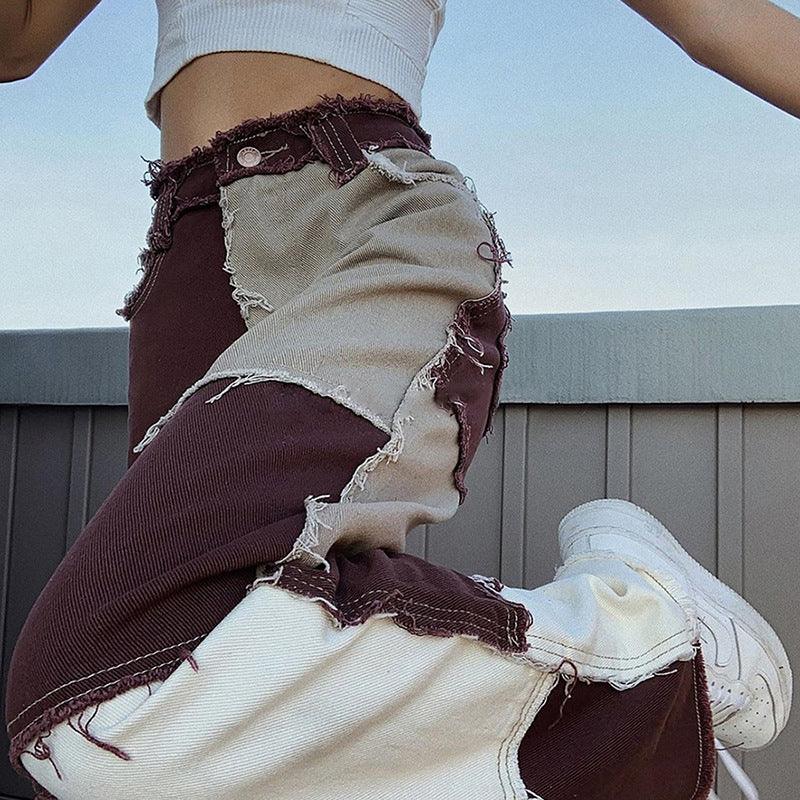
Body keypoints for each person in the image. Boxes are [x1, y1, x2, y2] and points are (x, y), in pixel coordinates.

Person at [1, 2, 796, 799]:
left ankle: (641, 642)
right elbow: (17, 43)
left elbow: (717, 21)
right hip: (191, 255)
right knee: (202, 682)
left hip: (357, 207)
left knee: (105, 698)